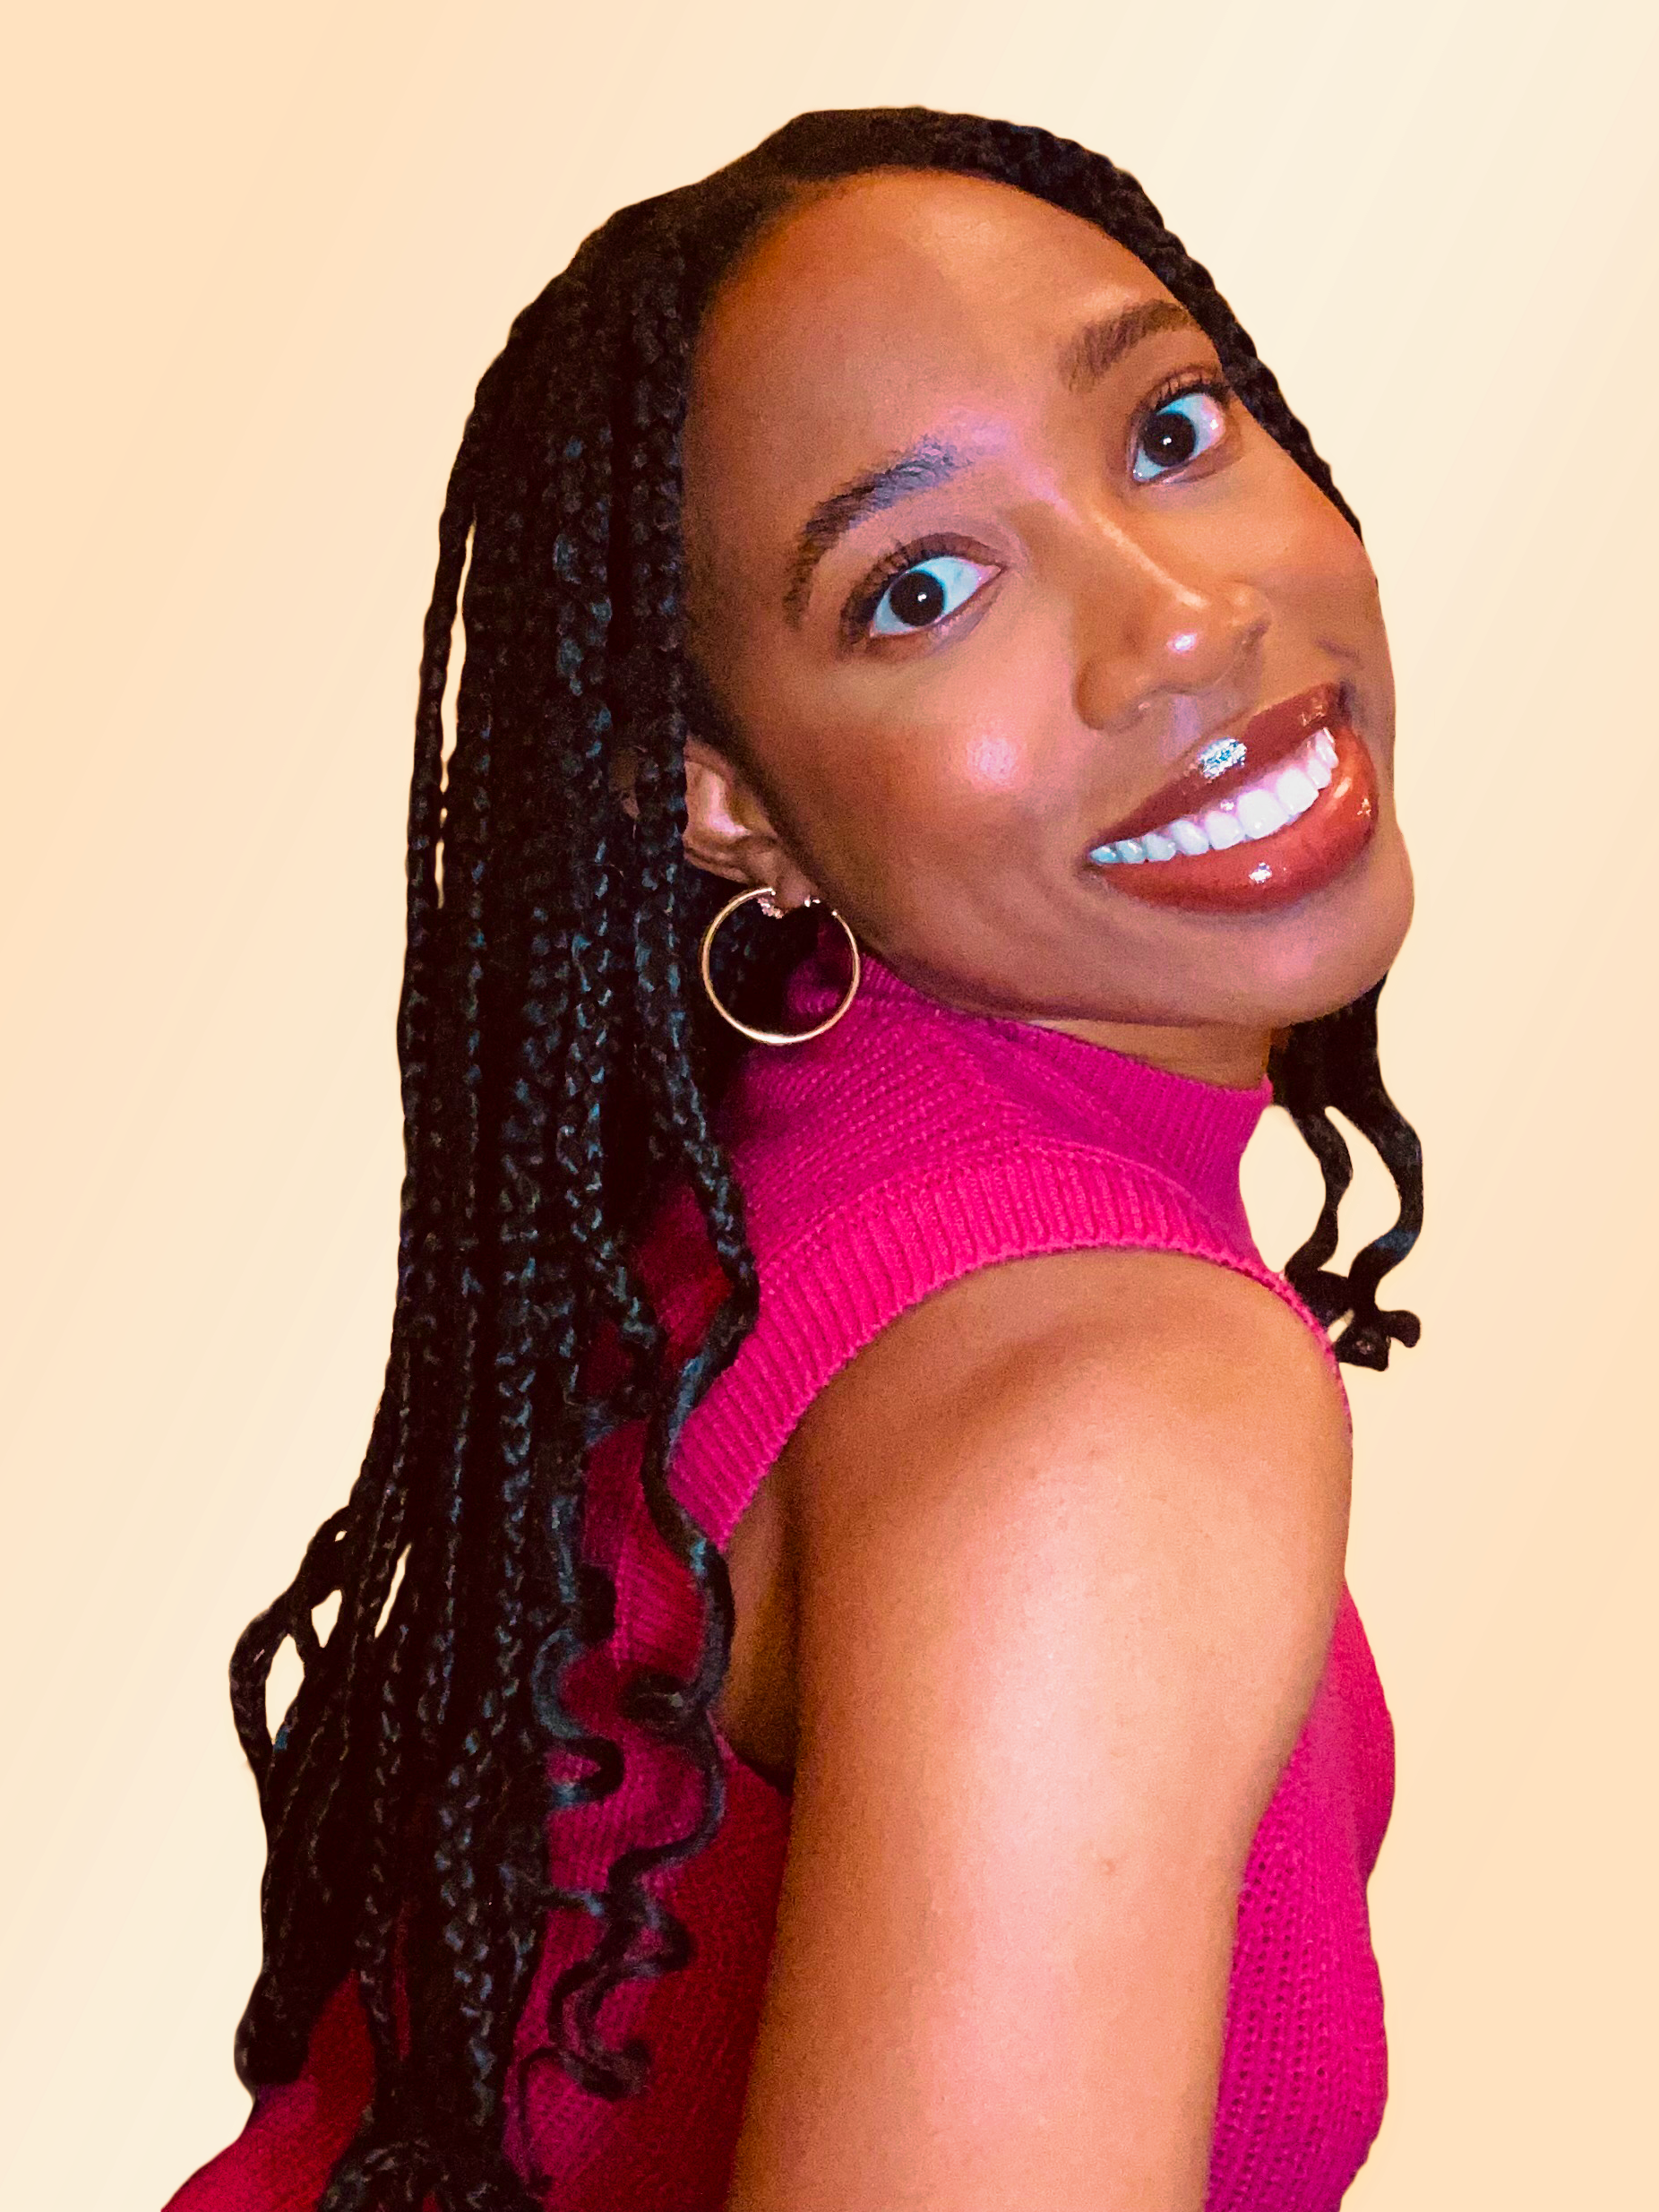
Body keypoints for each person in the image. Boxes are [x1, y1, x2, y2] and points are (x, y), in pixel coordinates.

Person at [165, 106, 1423, 2212]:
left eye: (1170, 428)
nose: (1179, 623)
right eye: (918, 587)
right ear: (723, 801)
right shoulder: (1099, 1398)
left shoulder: (784, 1183)